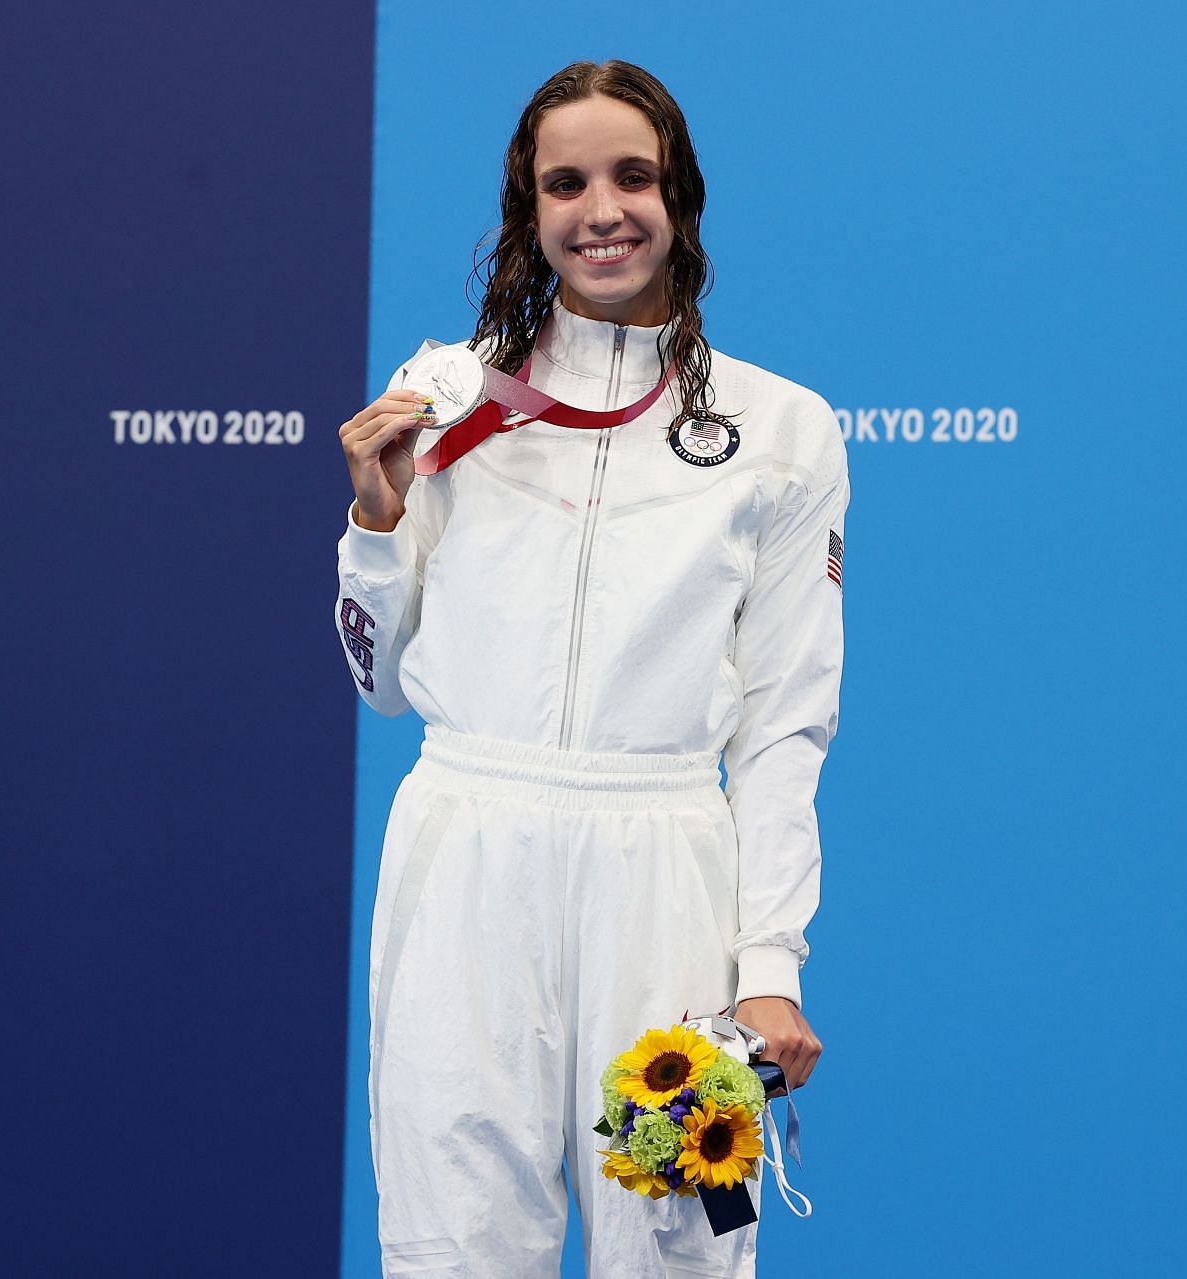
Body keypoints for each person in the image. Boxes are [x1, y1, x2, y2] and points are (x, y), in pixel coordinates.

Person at [333, 58, 847, 1279]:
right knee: (454, 1250)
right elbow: (380, 682)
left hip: (665, 866)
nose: (601, 209)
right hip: (465, 853)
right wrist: (377, 525)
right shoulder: (446, 399)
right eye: (565, 183)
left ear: (682, 198)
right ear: (528, 212)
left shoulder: (780, 428)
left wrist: (768, 968)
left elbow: (783, 724)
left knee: (672, 1253)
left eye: (634, 175)